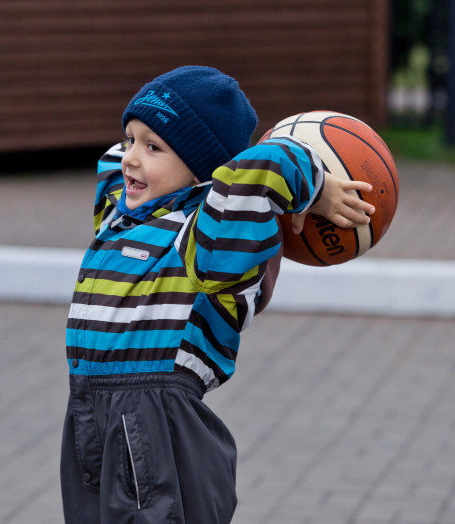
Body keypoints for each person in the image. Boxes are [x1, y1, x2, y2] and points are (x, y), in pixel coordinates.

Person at [60, 65, 374, 524]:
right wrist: (148, 141)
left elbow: (261, 168)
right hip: (90, 415)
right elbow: (115, 160)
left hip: (156, 430)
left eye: (153, 147)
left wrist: (317, 187)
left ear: (201, 175)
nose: (130, 157)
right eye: (131, 139)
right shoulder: (122, 217)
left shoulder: (206, 242)